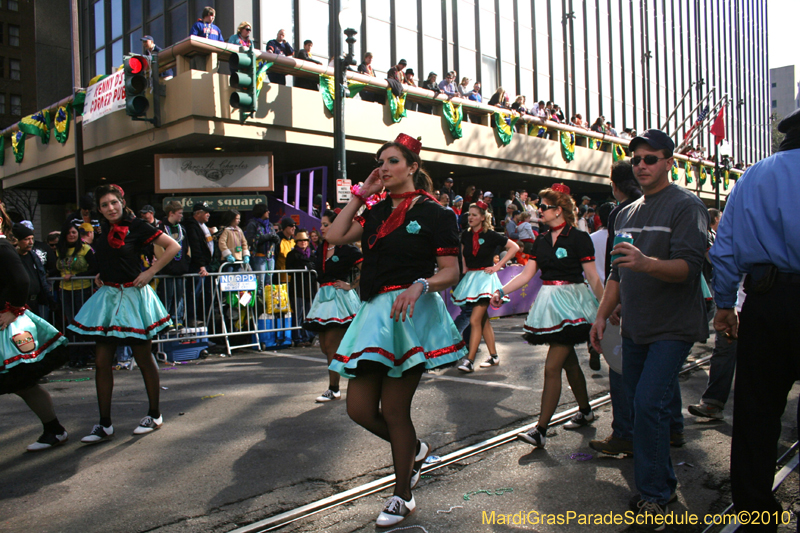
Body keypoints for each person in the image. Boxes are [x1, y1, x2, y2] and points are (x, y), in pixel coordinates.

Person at [325, 134, 465, 526]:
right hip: (373, 314)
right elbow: (333, 237)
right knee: (359, 409)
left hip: (412, 314)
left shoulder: (438, 214)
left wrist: (421, 283)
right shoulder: (374, 209)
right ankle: (416, 450)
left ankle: (403, 495)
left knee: (394, 409)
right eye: (380, 162)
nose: (383, 168)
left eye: (392, 161)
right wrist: (360, 194)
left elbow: (451, 272)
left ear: (412, 167)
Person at [590, 129, 708, 521]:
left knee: (647, 403)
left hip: (673, 326)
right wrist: (603, 314)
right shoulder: (623, 212)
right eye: (636, 159)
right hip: (634, 327)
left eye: (650, 158)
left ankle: (656, 492)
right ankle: (656, 484)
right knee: (644, 409)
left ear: (669, 162)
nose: (641, 165)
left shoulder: (686, 206)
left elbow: (690, 269)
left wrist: (646, 263)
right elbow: (616, 275)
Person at [708, 109, 800, 532]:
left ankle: (755, 513)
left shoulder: (754, 175)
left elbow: (724, 248)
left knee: (757, 411)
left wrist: (724, 306)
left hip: (768, 300)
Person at [492, 183, 603, 449]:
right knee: (569, 363)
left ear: (560, 210)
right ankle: (586, 411)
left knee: (553, 366)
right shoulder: (540, 240)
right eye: (539, 206)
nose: (538, 210)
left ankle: (541, 429)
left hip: (573, 306)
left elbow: (593, 278)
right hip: (550, 306)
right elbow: (527, 274)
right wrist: (500, 291)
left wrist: (607, 309)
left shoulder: (579, 238)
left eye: (544, 207)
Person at [69, 184, 180, 444]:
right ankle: (104, 424)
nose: (110, 208)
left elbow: (173, 246)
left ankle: (154, 415)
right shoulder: (102, 228)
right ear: (99, 209)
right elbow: (111, 258)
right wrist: (101, 274)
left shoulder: (139, 225)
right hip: (108, 298)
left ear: (122, 201)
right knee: (101, 362)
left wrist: (151, 272)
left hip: (133, 298)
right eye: (105, 205)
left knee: (143, 358)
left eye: (113, 202)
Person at [0, 204, 70, 452]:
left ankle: (54, 430)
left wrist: (14, 309)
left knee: (23, 383)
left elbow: (22, 280)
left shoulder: (1, 245)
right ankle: (54, 429)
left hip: (6, 327)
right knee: (23, 384)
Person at [588, 161, 643, 457]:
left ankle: (624, 432)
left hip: (630, 303)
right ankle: (671, 427)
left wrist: (611, 304)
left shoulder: (623, 211)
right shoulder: (659, 204)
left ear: (614, 184)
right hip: (659, 302)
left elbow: (616, 265)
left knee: (621, 369)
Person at [303, 210, 363, 402]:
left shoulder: (348, 249)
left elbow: (368, 268)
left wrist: (351, 285)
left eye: (326, 224)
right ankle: (345, 380)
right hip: (323, 300)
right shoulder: (322, 247)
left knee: (331, 346)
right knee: (325, 347)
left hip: (340, 300)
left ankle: (334, 388)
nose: (321, 227)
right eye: (322, 224)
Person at [454, 200, 519, 371]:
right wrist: (465, 267)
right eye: (469, 214)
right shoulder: (465, 235)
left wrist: (498, 266)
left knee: (475, 319)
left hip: (485, 280)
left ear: (483, 218)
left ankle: (469, 360)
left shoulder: (491, 235)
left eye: (475, 215)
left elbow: (514, 247)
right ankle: (494, 356)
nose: (471, 217)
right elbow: (462, 253)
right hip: (471, 279)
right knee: (483, 321)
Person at [55, 221, 97, 368]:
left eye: (74, 232)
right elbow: (55, 269)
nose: (71, 235)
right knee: (71, 323)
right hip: (65, 291)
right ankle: (73, 355)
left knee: (81, 322)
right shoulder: (60, 250)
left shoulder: (86, 249)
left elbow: (94, 268)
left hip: (82, 289)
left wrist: (75, 276)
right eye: (69, 233)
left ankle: (83, 355)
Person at [155, 202, 191, 325]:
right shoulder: (160, 229)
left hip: (180, 269)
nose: (182, 216)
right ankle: (166, 320)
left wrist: (186, 262)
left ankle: (177, 319)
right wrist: (165, 264)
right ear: (171, 213)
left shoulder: (183, 229)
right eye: (179, 213)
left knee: (179, 296)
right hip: (167, 270)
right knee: (167, 296)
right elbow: (158, 249)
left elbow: (187, 248)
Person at [13, 223, 53, 320]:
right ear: (17, 241)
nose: (31, 242)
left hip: (35, 303)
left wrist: (49, 297)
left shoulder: (33, 256)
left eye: (32, 238)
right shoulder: (12, 258)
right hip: (18, 304)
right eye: (26, 239)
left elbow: (41, 277)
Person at [183, 202, 214, 326]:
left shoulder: (202, 226)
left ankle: (199, 318)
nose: (208, 215)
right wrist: (201, 265)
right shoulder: (191, 226)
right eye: (206, 212)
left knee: (201, 294)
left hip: (204, 265)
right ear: (198, 213)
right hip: (196, 267)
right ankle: (191, 318)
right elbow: (195, 247)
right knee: (193, 294)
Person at [286, 229, 317, 347]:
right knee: (299, 313)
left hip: (310, 287)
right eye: (300, 241)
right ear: (296, 242)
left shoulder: (313, 253)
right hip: (298, 288)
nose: (303, 242)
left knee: (309, 312)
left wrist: (313, 266)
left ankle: (309, 336)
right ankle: (298, 337)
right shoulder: (292, 254)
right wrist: (303, 266)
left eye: (305, 240)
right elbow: (289, 269)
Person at [244, 203, 279, 286]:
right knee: (260, 281)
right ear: (261, 212)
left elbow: (275, 238)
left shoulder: (270, 225)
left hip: (270, 256)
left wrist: (276, 238)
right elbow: (250, 240)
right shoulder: (252, 224)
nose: (269, 212)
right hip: (258, 257)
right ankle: (259, 297)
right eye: (267, 210)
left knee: (269, 281)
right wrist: (265, 237)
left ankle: (267, 298)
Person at [275, 216, 296, 283]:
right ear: (285, 227)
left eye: (294, 226)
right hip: (280, 278)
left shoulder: (294, 241)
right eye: (291, 226)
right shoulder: (278, 240)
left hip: (293, 278)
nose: (294, 228)